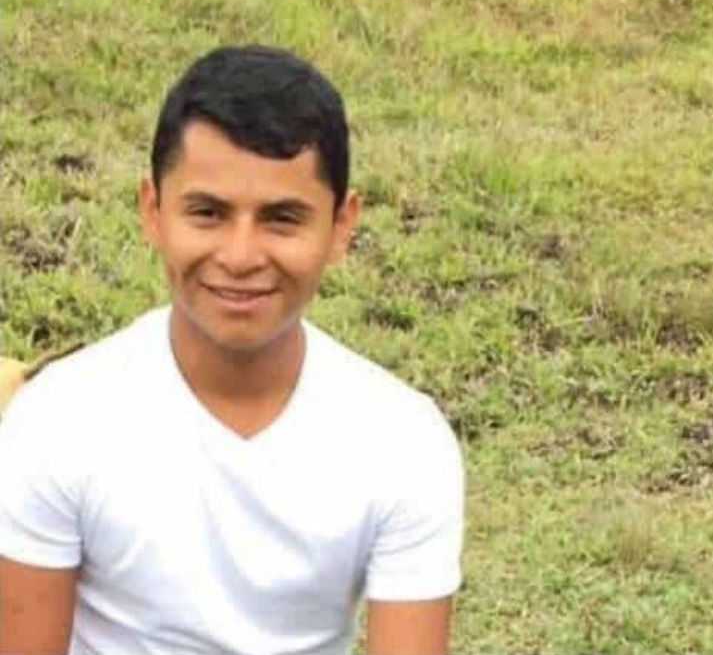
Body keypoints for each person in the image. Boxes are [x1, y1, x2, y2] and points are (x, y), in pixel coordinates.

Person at [0, 45, 465, 655]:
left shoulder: (403, 441)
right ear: (153, 211)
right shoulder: (60, 419)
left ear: (341, 226)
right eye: (208, 213)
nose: (241, 256)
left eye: (282, 218)